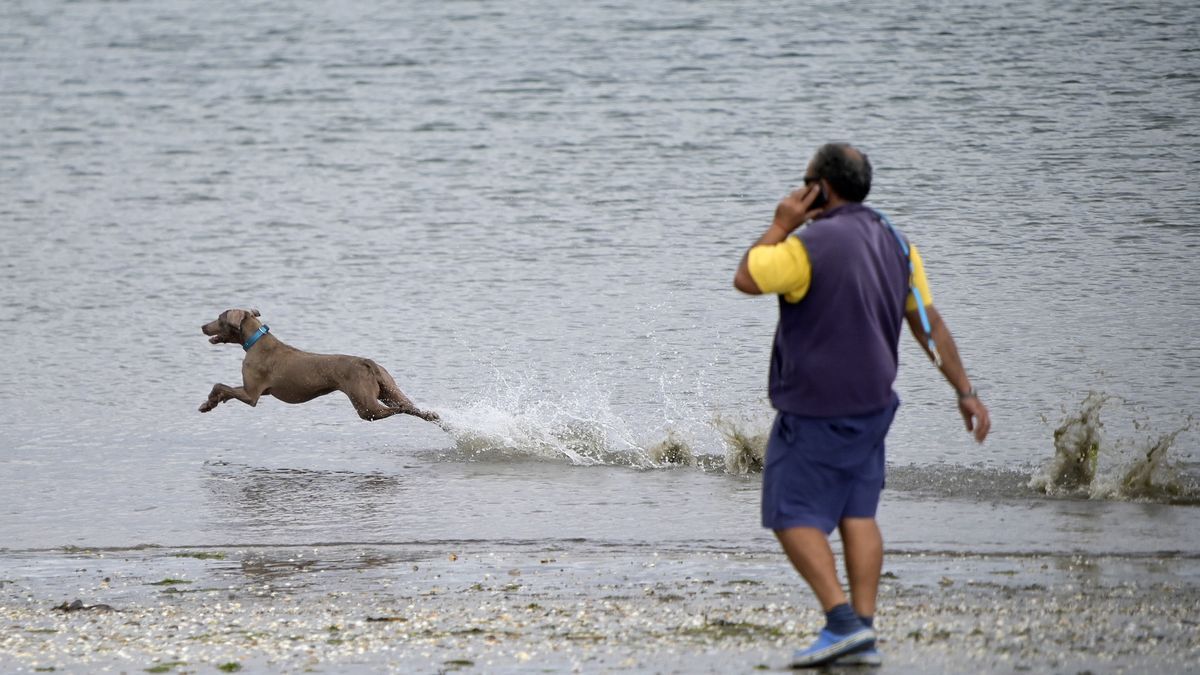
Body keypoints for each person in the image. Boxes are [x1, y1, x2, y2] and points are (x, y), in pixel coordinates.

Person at [733, 142, 990, 668]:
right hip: (874, 403)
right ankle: (863, 635)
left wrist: (780, 222)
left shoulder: (806, 246)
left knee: (789, 513)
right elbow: (928, 323)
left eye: (805, 183)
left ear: (820, 189)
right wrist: (965, 391)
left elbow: (748, 277)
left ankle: (842, 622)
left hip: (817, 407)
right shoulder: (898, 243)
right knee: (857, 514)